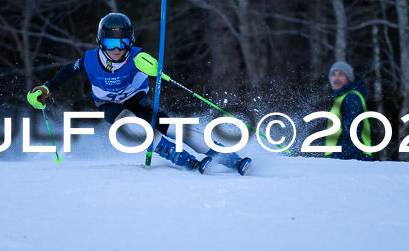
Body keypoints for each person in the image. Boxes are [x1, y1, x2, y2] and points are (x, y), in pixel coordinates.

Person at [27, 12, 251, 175]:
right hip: (108, 104)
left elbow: (160, 71)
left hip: (136, 98)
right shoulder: (90, 60)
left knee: (170, 126)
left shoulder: (136, 57)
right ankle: (178, 155)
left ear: (130, 41)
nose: (117, 49)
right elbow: (68, 72)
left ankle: (228, 157)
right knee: (129, 123)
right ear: (100, 42)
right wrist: (46, 89)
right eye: (110, 42)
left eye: (122, 42)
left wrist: (157, 71)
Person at [324, 61, 373, 161]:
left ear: (348, 78)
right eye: (333, 75)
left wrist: (337, 157)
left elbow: (351, 131)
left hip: (352, 157)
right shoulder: (341, 98)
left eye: (341, 74)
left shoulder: (351, 97)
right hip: (343, 156)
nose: (336, 78)